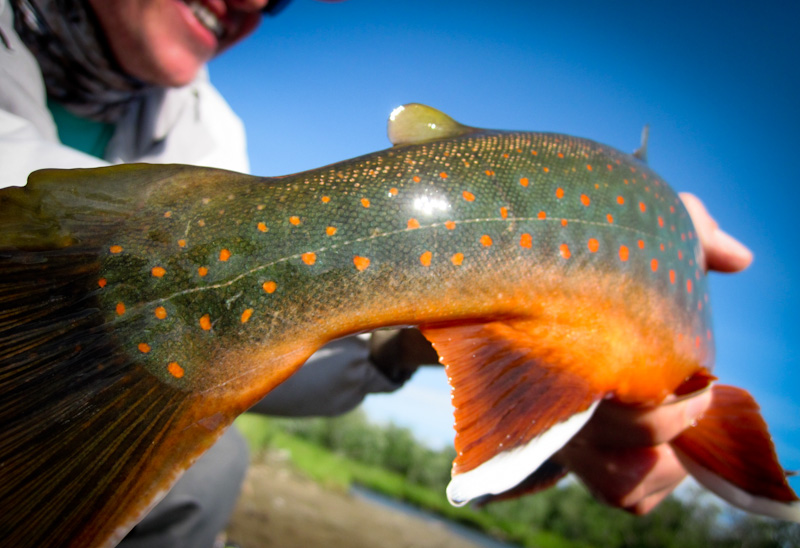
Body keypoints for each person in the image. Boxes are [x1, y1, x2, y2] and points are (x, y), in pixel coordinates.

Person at [0, 0, 755, 546]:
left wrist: (417, 344)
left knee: (207, 464)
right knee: (209, 470)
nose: (254, 1)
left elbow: (247, 339)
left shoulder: (208, 130)